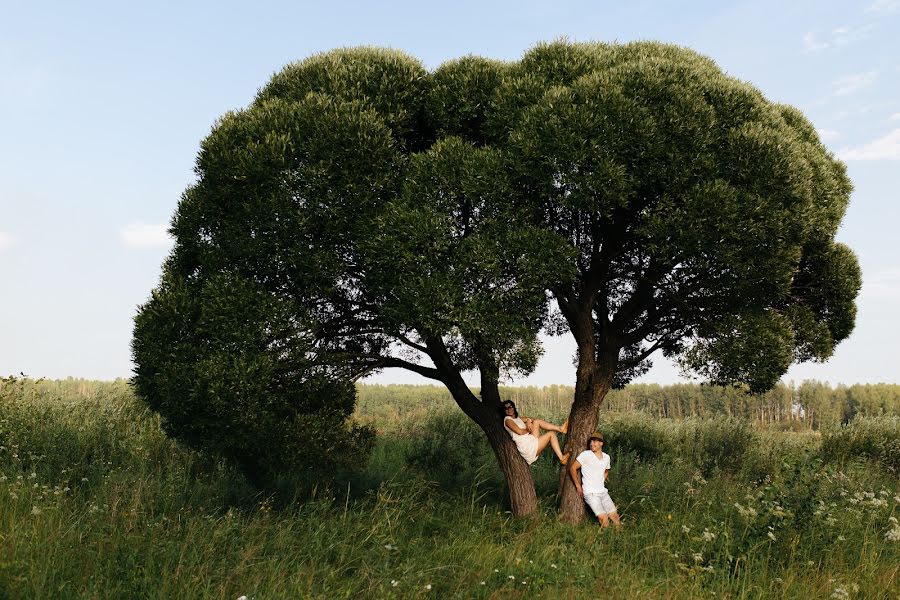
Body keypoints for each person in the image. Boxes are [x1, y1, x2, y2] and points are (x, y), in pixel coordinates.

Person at [568, 432, 621, 528]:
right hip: (591, 493)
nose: (592, 444)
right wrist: (578, 485)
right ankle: (606, 541)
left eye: (595, 441)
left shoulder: (606, 457)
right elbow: (572, 468)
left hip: (603, 492)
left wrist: (601, 480)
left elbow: (606, 471)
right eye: (591, 441)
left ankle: (619, 538)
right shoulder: (586, 455)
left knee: (615, 517)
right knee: (604, 518)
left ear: (601, 443)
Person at [501, 400, 570, 465]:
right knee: (551, 434)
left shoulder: (517, 418)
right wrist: (529, 429)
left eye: (510, 407)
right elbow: (520, 432)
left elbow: (532, 419)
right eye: (506, 408)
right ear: (504, 411)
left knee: (536, 421)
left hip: (529, 439)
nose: (509, 409)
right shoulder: (507, 420)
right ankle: (561, 457)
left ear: (513, 407)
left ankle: (561, 429)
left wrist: (528, 421)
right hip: (526, 446)